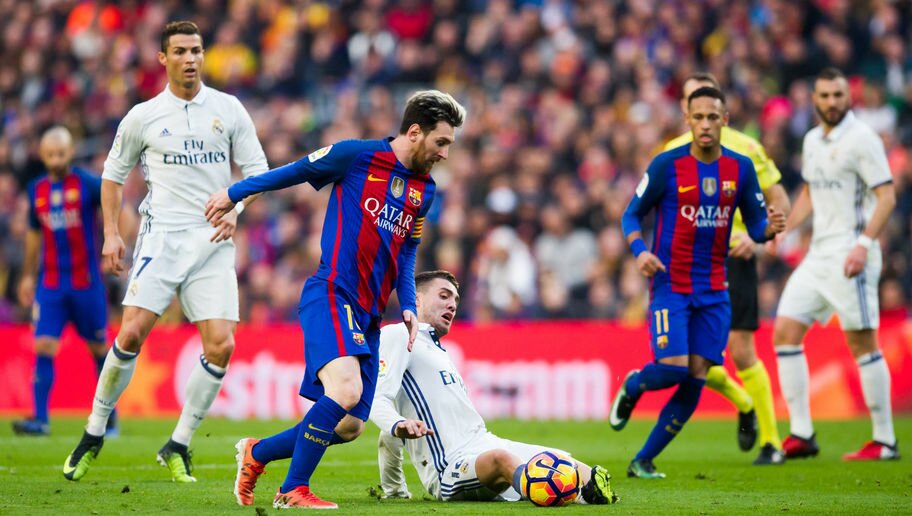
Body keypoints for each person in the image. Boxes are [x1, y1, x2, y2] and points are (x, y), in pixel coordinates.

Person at [212, 90, 466, 509]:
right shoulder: (356, 157)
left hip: (367, 314)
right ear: (415, 132)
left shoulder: (426, 190)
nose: (444, 153)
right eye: (441, 142)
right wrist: (235, 193)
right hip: (332, 292)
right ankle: (292, 489)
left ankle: (256, 454)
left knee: (349, 425)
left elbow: (406, 252)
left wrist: (406, 302)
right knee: (345, 391)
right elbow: (292, 172)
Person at [63, 21, 269, 483]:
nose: (191, 59)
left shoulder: (228, 108)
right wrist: (112, 235)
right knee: (132, 332)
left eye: (197, 50)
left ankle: (177, 444)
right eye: (180, 51)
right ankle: (93, 432)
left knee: (222, 345)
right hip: (162, 237)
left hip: (213, 238)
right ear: (163, 58)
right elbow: (113, 176)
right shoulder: (143, 115)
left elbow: (258, 170)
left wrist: (237, 205)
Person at [611, 86, 786, 479]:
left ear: (724, 120)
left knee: (697, 377)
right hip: (670, 284)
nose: (705, 124)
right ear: (686, 120)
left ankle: (643, 459)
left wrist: (767, 230)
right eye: (698, 117)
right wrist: (640, 251)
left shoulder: (740, 168)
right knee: (673, 368)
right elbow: (631, 214)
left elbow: (755, 224)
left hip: (715, 290)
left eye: (713, 117)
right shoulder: (665, 165)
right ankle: (635, 385)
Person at [368, 270, 619, 505]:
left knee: (559, 459)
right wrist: (397, 427)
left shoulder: (439, 353)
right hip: (451, 467)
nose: (452, 305)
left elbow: (393, 429)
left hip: (485, 443)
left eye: (455, 299)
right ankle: (548, 493)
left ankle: (588, 494)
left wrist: (395, 487)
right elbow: (378, 399)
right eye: (443, 296)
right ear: (417, 300)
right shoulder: (398, 335)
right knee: (502, 460)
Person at [664, 72, 792, 465]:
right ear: (686, 112)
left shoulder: (745, 148)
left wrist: (757, 239)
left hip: (731, 258)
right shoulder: (670, 151)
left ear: (721, 111)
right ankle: (743, 402)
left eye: (707, 105)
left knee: (740, 349)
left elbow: (780, 199)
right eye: (691, 104)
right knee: (681, 357)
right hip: (684, 263)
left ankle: (772, 443)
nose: (699, 113)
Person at [773, 67, 899, 461]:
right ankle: (802, 434)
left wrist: (863, 245)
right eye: (824, 95)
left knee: (863, 343)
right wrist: (786, 229)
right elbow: (810, 192)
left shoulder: (863, 139)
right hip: (818, 255)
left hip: (851, 254)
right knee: (784, 333)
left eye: (838, 95)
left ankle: (885, 440)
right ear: (814, 99)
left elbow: (888, 196)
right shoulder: (812, 140)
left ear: (849, 98)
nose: (831, 102)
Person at [13, 126, 117, 438]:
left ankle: (109, 418)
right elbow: (34, 234)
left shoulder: (87, 184)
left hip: (86, 282)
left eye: (60, 154)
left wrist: (113, 240)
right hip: (52, 283)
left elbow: (115, 203)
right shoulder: (36, 190)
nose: (55, 160)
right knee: (44, 343)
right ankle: (41, 420)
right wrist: (28, 274)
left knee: (99, 347)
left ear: (70, 153)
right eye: (49, 155)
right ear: (42, 156)